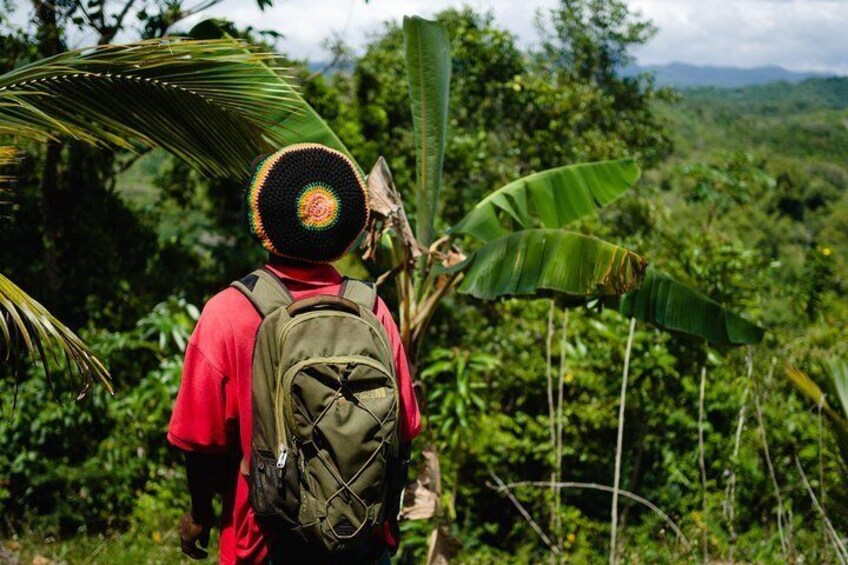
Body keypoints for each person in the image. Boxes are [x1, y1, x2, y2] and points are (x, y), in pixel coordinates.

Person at [167, 143, 421, 564]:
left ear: (262, 220)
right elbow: (406, 426)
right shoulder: (371, 308)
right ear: (348, 227)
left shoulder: (227, 313)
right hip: (361, 537)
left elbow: (200, 441)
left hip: (266, 542)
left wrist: (199, 513)